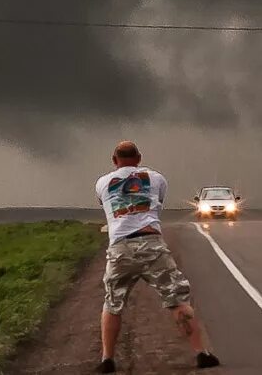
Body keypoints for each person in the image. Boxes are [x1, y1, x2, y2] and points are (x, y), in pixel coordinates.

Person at [94, 140, 220, 371]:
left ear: (114, 160)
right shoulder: (156, 178)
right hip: (151, 243)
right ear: (139, 158)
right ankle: (202, 353)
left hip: (120, 247)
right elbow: (158, 203)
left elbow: (105, 205)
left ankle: (107, 359)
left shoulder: (102, 183)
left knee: (112, 302)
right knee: (177, 297)